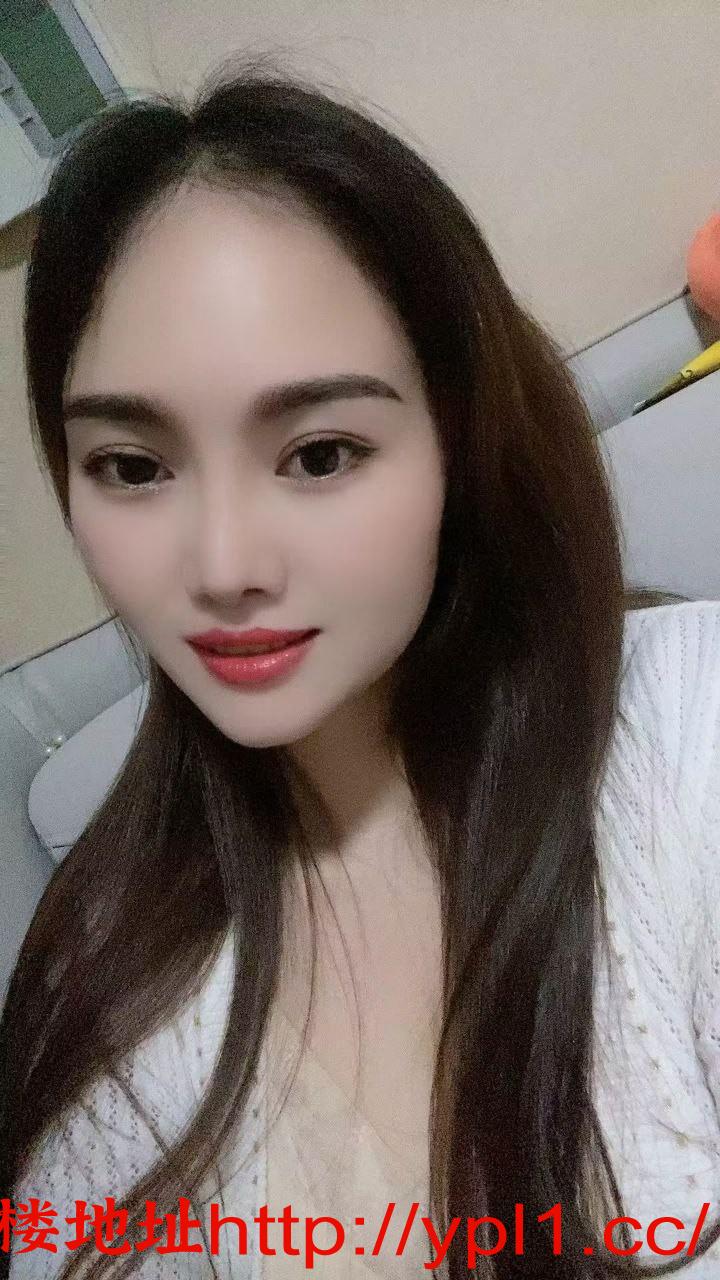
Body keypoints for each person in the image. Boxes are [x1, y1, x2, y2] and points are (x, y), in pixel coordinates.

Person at [1, 55, 719, 1280]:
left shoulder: (690, 731)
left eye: (321, 452)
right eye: (133, 466)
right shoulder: (103, 973)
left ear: (458, 438)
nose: (223, 565)